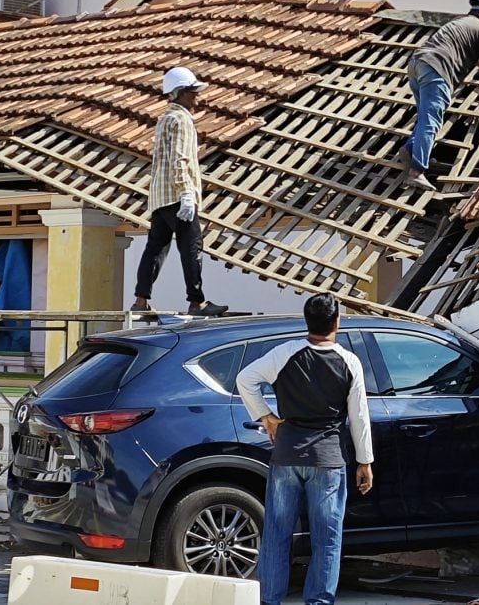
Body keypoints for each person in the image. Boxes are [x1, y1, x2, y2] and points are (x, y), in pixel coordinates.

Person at [237, 292, 374, 605]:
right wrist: (365, 462)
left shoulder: (285, 353)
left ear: (307, 320)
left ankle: (269, 600)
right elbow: (359, 417)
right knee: (326, 539)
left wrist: (266, 417)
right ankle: (318, 601)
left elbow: (246, 379)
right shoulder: (349, 361)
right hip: (328, 461)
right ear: (337, 322)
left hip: (286, 456)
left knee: (276, 535)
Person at [130, 66, 228, 316]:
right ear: (181, 93)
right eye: (193, 92)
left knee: (156, 248)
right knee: (192, 245)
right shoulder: (182, 119)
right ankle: (197, 302)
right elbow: (180, 158)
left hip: (160, 197)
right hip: (177, 194)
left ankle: (141, 300)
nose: (197, 97)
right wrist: (186, 192)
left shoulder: (164, 119)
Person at [402, 0, 479, 191]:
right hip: (436, 71)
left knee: (425, 117)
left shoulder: (459, 23)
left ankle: (410, 150)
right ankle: (417, 172)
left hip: (417, 63)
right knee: (431, 122)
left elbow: (477, 60)